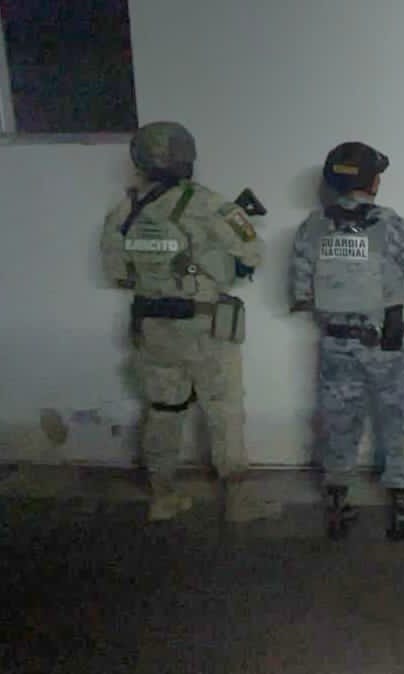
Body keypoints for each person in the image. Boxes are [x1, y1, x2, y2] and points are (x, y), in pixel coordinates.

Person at [100, 121, 264, 522]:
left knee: (163, 409)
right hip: (205, 328)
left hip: (152, 328)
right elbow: (253, 254)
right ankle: (239, 503)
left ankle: (163, 497)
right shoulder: (208, 204)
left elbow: (118, 273)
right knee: (224, 410)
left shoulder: (125, 210)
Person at [290, 142, 404, 541]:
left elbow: (301, 292)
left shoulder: (312, 226)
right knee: (399, 423)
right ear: (372, 182)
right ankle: (402, 509)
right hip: (386, 346)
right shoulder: (391, 225)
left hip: (335, 344)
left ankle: (337, 507)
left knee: (338, 423)